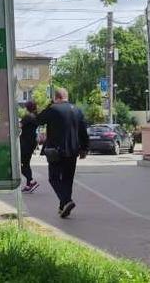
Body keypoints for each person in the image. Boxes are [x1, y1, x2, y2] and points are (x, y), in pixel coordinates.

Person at [37, 88, 89, 218]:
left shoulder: (53, 109)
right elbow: (83, 131)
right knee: (67, 179)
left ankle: (66, 201)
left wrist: (49, 105)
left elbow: (39, 120)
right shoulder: (77, 110)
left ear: (56, 97)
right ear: (67, 97)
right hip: (73, 150)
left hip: (56, 150)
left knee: (53, 178)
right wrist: (84, 148)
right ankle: (63, 207)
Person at [19, 101, 39, 192]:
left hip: (25, 143)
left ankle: (31, 181)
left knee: (19, 164)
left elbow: (18, 126)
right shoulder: (36, 117)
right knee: (26, 163)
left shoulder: (27, 117)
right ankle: (28, 185)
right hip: (32, 143)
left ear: (27, 108)